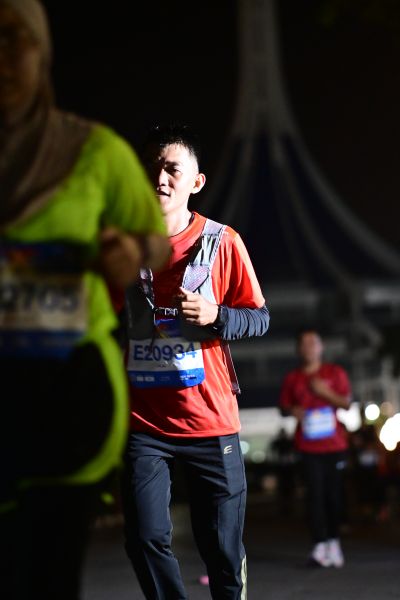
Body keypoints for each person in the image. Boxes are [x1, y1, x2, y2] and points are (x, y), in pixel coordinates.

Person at [0, 1, 170, 598]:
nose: (2, 55)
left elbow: (154, 239)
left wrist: (128, 251)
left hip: (68, 397)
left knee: (50, 571)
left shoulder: (93, 151)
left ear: (42, 50)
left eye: (15, 37)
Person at [120, 123, 270, 599]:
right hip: (145, 423)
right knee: (144, 538)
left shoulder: (223, 242)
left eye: (171, 169)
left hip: (211, 422)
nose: (159, 179)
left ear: (196, 181)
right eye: (151, 168)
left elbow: (259, 319)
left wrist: (216, 315)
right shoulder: (121, 249)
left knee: (222, 552)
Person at [279, 329, 351, 568]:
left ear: (321, 347)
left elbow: (347, 403)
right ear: (299, 349)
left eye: (313, 343)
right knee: (314, 496)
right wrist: (292, 410)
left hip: (334, 445)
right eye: (304, 343)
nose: (309, 347)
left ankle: (334, 542)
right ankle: (319, 544)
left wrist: (324, 392)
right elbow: (284, 407)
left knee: (334, 495)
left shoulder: (335, 373)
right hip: (307, 446)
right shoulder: (293, 378)